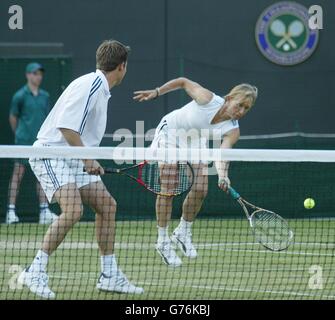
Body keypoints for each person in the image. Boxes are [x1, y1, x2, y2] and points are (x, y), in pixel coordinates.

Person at [18, 40, 144, 299]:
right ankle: (34, 271)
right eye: (125, 66)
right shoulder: (92, 85)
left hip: (72, 155)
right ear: (122, 67)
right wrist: (88, 159)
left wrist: (84, 157)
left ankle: (109, 275)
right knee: (73, 210)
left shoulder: (99, 88)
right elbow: (66, 127)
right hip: (51, 153)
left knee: (107, 206)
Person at [134, 78, 258, 267]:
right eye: (239, 105)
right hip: (170, 134)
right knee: (169, 186)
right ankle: (162, 240)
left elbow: (222, 153)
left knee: (201, 189)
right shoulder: (207, 99)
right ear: (229, 98)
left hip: (195, 141)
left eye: (246, 108)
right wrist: (157, 91)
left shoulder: (233, 130)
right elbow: (183, 82)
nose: (241, 111)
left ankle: (183, 232)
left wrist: (223, 174)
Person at [6, 63, 57, 225]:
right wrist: (21, 135)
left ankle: (44, 211)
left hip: (40, 144)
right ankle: (11, 212)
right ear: (28, 75)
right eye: (35, 74)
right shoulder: (19, 96)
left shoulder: (45, 96)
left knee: (42, 177)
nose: (38, 77)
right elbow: (13, 118)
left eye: (40, 74)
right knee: (18, 175)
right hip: (23, 143)